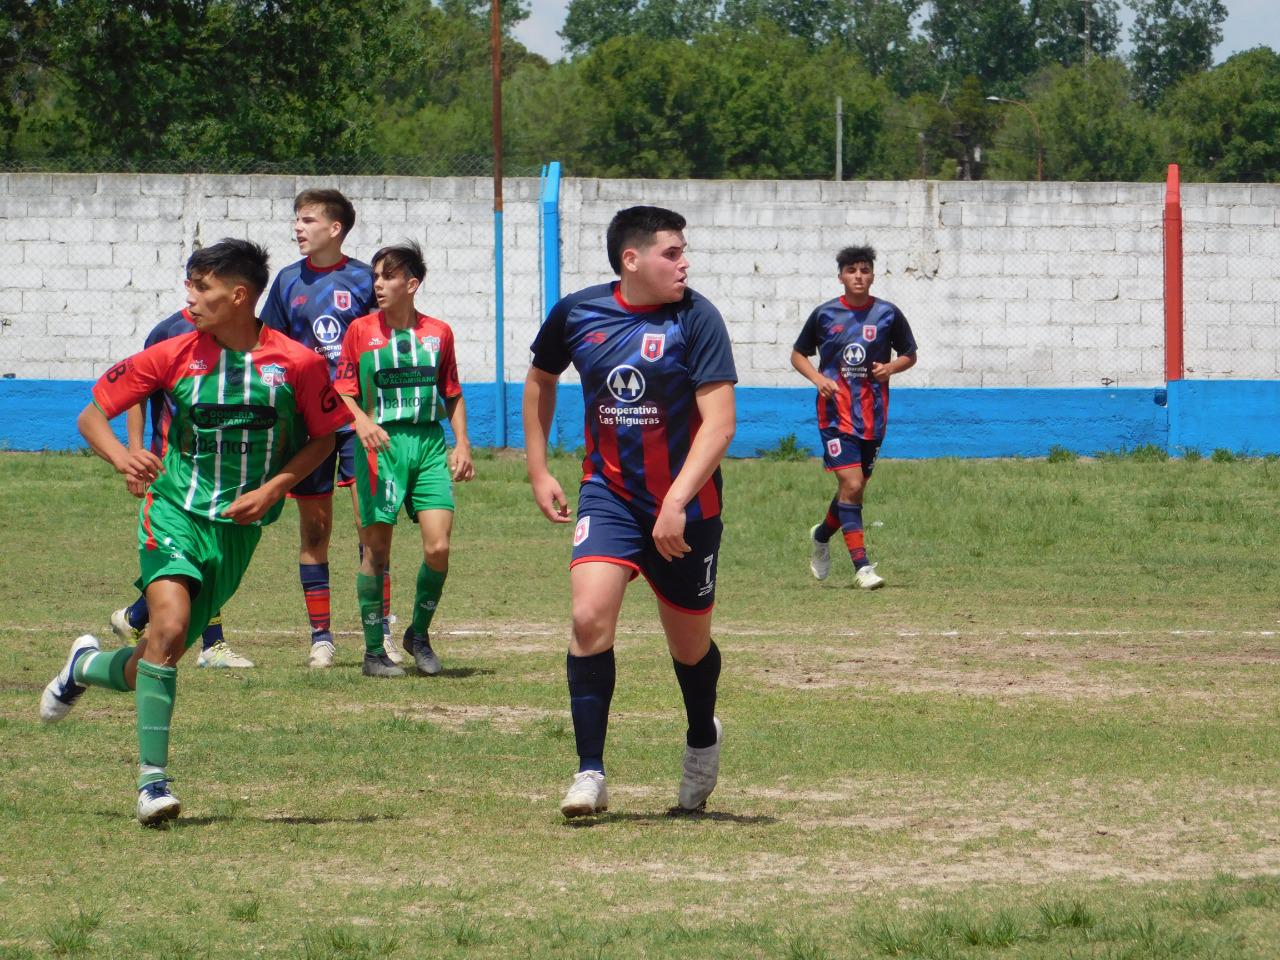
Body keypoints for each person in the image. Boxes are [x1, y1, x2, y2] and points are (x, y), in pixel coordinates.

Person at [40, 239, 352, 826]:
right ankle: (152, 785)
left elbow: (325, 436)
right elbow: (91, 414)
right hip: (173, 512)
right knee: (170, 626)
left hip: (237, 531)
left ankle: (82, 666)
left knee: (154, 656)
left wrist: (275, 487)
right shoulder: (172, 353)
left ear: (238, 295)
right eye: (190, 284)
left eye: (202, 287)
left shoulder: (299, 364)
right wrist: (123, 457)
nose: (190, 297)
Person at [522, 205, 737, 818]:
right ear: (631, 259)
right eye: (673, 252)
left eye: (683, 251)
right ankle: (589, 771)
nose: (684, 263)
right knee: (588, 618)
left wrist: (676, 502)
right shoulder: (578, 312)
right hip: (609, 495)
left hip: (688, 508)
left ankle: (702, 736)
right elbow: (540, 379)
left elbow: (720, 425)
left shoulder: (697, 318)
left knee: (690, 648)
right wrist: (538, 468)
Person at [259, 188, 389, 669]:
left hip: (358, 421)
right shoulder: (286, 280)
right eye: (297, 219)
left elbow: (384, 344)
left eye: (308, 220)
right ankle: (321, 638)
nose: (298, 227)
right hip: (308, 423)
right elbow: (269, 347)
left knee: (371, 529)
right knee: (314, 530)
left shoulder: (365, 280)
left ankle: (381, 632)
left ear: (335, 229)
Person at [333, 242, 474, 678]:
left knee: (438, 547)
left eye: (388, 276)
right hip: (380, 446)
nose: (378, 284)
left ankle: (419, 635)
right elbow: (342, 389)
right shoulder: (360, 331)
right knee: (376, 551)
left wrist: (462, 444)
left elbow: (451, 392)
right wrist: (361, 421)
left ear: (411, 284)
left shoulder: (439, 333)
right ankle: (373, 653)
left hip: (428, 445)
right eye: (375, 276)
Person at [108, 307, 254, 669]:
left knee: (208, 555)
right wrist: (134, 453)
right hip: (172, 469)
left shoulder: (242, 335)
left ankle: (135, 616)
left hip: (219, 470)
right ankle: (212, 644)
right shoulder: (169, 332)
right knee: (195, 555)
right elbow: (135, 393)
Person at [789, 245, 918, 590]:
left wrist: (891, 367)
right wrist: (818, 379)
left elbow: (909, 354)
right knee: (852, 485)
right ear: (841, 277)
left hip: (873, 417)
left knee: (854, 490)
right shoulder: (825, 314)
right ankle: (862, 567)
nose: (858, 276)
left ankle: (821, 535)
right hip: (834, 415)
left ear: (872, 275)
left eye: (864, 270)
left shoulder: (888, 314)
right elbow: (798, 355)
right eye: (852, 271)